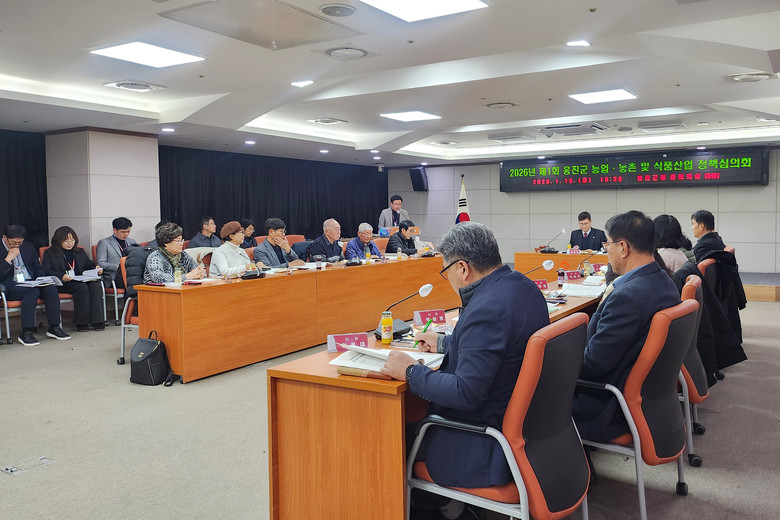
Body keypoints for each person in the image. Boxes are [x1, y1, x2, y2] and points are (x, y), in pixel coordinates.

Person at [380, 222, 549, 519]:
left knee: (392, 438)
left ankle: (444, 508)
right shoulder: (523, 286)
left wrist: (410, 371)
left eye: (445, 271)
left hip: (484, 439)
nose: (447, 278)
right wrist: (444, 342)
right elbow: (502, 345)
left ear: (462, 268)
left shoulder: (486, 308)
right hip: (530, 425)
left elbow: (466, 393)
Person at [572, 210, 681, 441]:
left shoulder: (628, 297)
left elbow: (592, 365)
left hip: (607, 405)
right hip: (646, 396)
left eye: (607, 244)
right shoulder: (664, 281)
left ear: (623, 247)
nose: (606, 251)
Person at [1, 225, 71, 345]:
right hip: (11, 285)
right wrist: (7, 260)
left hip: (31, 281)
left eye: (20, 243)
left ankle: (54, 327)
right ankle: (26, 332)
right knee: (32, 291)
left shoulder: (28, 247)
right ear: (4, 238)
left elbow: (37, 268)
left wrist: (43, 280)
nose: (16, 246)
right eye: (13, 243)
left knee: (50, 288)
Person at [42, 226, 105, 331]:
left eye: (72, 240)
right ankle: (82, 322)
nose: (70, 243)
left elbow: (88, 264)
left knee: (94, 285)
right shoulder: (50, 253)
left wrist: (96, 269)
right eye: (66, 241)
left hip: (80, 279)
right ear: (58, 241)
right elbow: (46, 270)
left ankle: (97, 320)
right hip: (63, 282)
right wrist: (61, 276)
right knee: (82, 288)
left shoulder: (79, 251)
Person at [96, 217, 137, 289]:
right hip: (115, 276)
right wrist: (117, 267)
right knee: (133, 285)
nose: (126, 234)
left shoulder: (132, 242)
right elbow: (101, 263)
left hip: (130, 274)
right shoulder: (105, 243)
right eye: (123, 232)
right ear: (114, 230)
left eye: (128, 231)